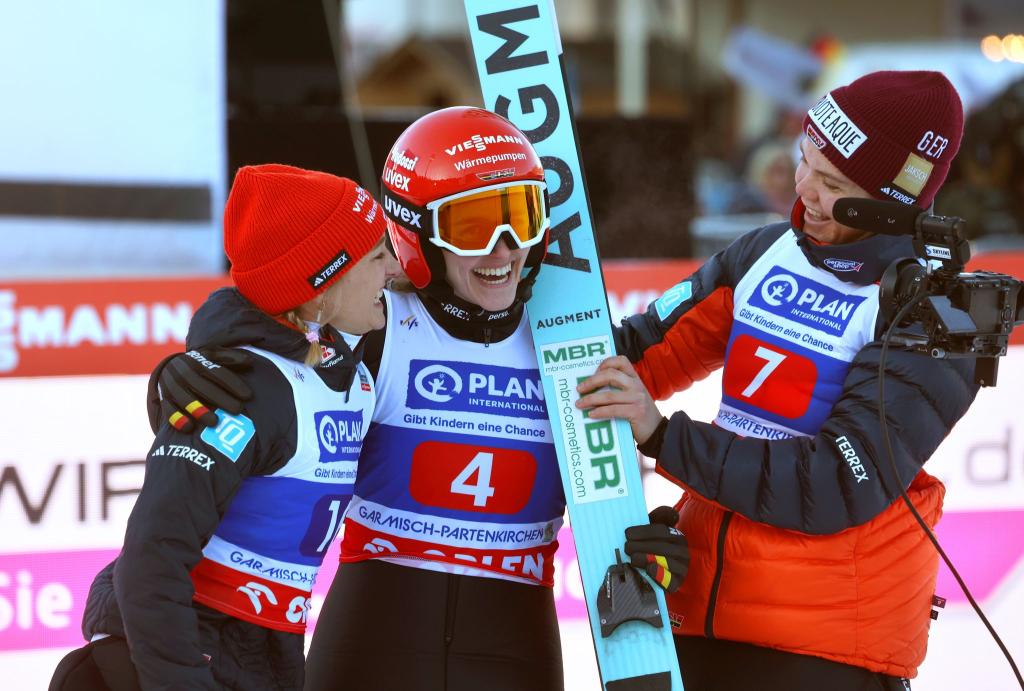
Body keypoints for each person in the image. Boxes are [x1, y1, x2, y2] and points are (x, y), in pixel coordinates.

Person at [148, 107, 690, 691]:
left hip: (515, 652)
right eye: (472, 226)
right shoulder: (378, 325)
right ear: (416, 232)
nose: (503, 248)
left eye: (520, 217)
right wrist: (187, 368)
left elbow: (616, 487)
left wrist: (655, 535)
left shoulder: (571, 344)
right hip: (373, 644)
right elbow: (271, 319)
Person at [577, 70, 978, 690]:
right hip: (703, 616)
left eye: (834, 184)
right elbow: (633, 357)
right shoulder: (765, 250)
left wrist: (663, 438)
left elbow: (837, 483)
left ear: (889, 202)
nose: (805, 193)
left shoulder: (932, 311)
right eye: (805, 163)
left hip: (825, 650)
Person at [48, 164, 393, 691]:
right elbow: (151, 562)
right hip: (157, 663)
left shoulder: (341, 359)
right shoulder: (238, 392)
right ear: (323, 283)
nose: (393, 269)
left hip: (255, 655)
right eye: (376, 256)